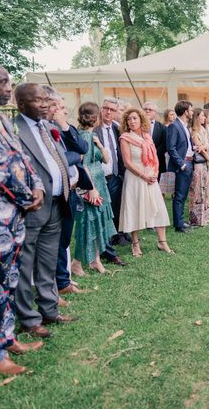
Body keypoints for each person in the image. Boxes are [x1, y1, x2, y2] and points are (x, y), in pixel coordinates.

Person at [0, 64, 45, 375]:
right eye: (2, 82)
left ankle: (8, 337)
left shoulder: (0, 118)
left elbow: (20, 157)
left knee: (8, 282)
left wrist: (37, 184)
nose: (8, 88)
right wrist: (29, 197)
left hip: (13, 219)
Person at [13, 83, 75, 338]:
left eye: (45, 99)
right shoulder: (14, 129)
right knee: (26, 265)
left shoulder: (47, 128)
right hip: (32, 206)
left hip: (57, 203)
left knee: (48, 262)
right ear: (22, 104)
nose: (44, 103)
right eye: (38, 100)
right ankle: (29, 319)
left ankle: (50, 310)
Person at [45, 91, 91, 299]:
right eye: (60, 107)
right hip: (56, 193)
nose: (64, 111)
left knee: (64, 239)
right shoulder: (44, 130)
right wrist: (74, 156)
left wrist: (64, 126)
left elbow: (83, 147)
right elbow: (59, 158)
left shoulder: (64, 127)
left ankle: (62, 281)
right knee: (54, 240)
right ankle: (56, 283)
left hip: (71, 190)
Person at [119, 108, 172, 256]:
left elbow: (154, 158)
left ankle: (162, 242)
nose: (132, 121)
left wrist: (154, 173)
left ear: (141, 120)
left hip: (151, 178)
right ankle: (135, 245)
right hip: (135, 178)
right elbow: (127, 163)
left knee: (159, 208)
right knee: (135, 209)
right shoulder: (125, 138)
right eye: (129, 119)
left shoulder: (147, 137)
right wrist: (144, 176)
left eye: (135, 118)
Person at [72, 102, 117, 275]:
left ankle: (95, 260)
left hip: (100, 183)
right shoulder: (83, 137)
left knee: (98, 223)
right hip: (90, 185)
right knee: (87, 224)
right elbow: (82, 165)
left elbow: (106, 160)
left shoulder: (92, 137)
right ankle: (76, 263)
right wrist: (90, 188)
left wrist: (99, 145)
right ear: (95, 118)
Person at [93, 97, 127, 266]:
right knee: (101, 214)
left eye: (112, 110)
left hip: (114, 176)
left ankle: (110, 242)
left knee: (112, 212)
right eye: (105, 108)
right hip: (97, 178)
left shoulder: (116, 128)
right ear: (101, 109)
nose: (108, 112)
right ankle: (106, 251)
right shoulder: (93, 128)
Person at [166, 100, 194, 233]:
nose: (192, 112)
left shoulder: (185, 125)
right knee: (179, 195)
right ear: (185, 111)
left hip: (189, 162)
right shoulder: (174, 126)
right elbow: (171, 148)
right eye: (191, 110)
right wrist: (181, 164)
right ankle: (179, 224)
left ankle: (182, 220)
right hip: (183, 164)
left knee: (184, 195)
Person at [188, 108, 209, 226]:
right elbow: (201, 150)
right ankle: (196, 219)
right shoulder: (194, 132)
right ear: (197, 117)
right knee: (198, 191)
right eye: (202, 116)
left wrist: (203, 146)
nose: (204, 118)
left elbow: (206, 147)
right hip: (199, 165)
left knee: (206, 190)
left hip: (205, 164)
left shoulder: (203, 130)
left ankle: (205, 217)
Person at [143, 102, 167, 181]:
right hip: (141, 161)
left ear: (155, 112)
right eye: (145, 109)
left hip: (157, 161)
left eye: (150, 109)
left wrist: (153, 154)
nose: (147, 111)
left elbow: (164, 144)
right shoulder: (137, 126)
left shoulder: (162, 128)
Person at [159, 109, 177, 195]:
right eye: (171, 114)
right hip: (165, 153)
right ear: (167, 115)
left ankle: (174, 192)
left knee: (173, 174)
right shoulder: (163, 127)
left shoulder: (176, 126)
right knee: (164, 174)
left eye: (174, 114)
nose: (173, 116)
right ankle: (162, 192)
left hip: (173, 153)